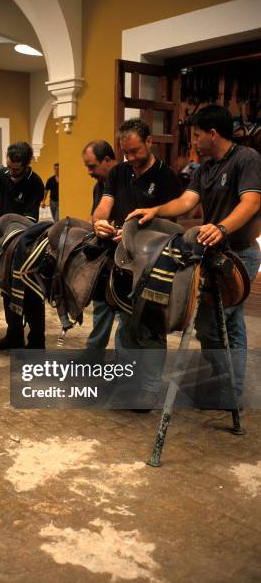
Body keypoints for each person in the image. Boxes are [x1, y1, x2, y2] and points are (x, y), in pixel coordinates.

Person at [126, 105, 261, 402]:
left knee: (220, 321)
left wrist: (222, 228)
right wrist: (155, 210)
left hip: (239, 254)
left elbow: (250, 203)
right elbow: (188, 200)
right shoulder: (207, 167)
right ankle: (227, 382)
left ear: (212, 134)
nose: (194, 142)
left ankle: (231, 390)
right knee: (217, 322)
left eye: (197, 135)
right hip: (213, 252)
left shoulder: (246, 158)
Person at [93, 118, 182, 405]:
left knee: (149, 325)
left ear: (149, 142)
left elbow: (168, 226)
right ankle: (128, 380)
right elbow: (104, 205)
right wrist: (99, 222)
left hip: (153, 260)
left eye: (135, 151)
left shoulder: (166, 177)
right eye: (125, 152)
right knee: (124, 319)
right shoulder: (118, 172)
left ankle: (150, 387)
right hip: (120, 258)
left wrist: (135, 233)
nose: (130, 158)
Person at [0, 142, 45, 349]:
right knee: (6, 287)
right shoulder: (2, 174)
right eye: (9, 166)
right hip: (4, 240)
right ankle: (14, 335)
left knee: (30, 291)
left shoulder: (36, 183)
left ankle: (36, 341)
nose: (12, 172)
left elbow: (28, 221)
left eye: (17, 169)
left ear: (26, 164)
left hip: (26, 241)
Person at [82, 140, 120, 350]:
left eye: (92, 166)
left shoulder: (126, 181)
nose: (89, 172)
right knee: (101, 305)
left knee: (124, 313)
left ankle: (125, 363)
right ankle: (93, 353)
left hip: (126, 254)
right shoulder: (99, 186)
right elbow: (94, 217)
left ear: (107, 160)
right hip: (105, 255)